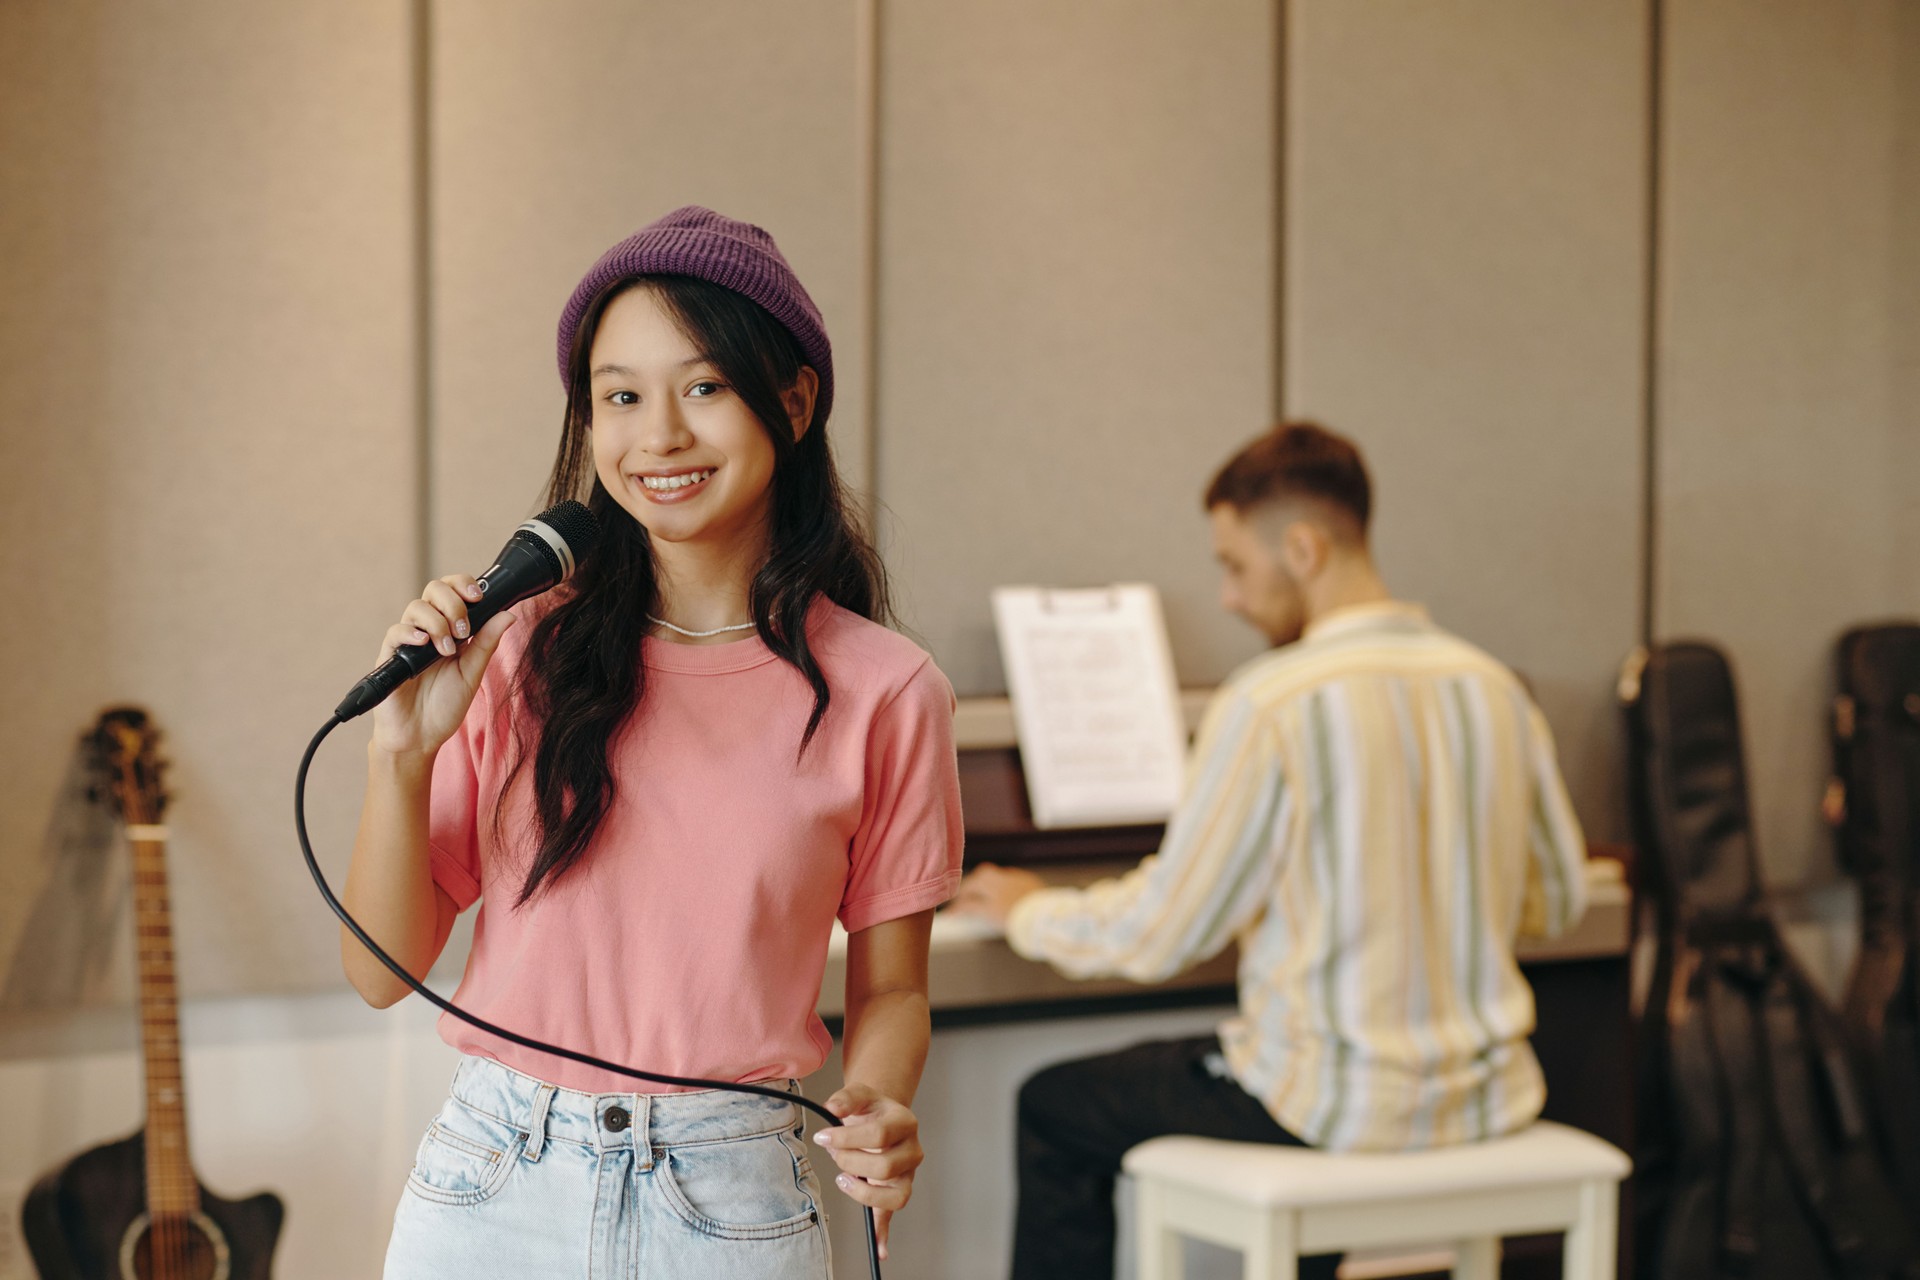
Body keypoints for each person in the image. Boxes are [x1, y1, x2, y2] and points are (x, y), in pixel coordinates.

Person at [340, 206, 964, 1279]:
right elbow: (381, 971)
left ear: (796, 399)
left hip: (731, 1196)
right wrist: (400, 758)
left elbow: (893, 988)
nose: (659, 434)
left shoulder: (889, 689)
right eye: (620, 396)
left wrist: (882, 1094)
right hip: (492, 1182)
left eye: (705, 386)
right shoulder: (518, 648)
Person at [953, 422, 1590, 1280]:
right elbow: (1556, 904)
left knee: (1055, 1103)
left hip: (1337, 1102)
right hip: (1484, 1096)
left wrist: (1029, 908)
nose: (1228, 597)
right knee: (1284, 1068)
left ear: (1301, 548)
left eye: (1234, 566)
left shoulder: (1272, 701)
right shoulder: (1494, 689)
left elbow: (1162, 933)